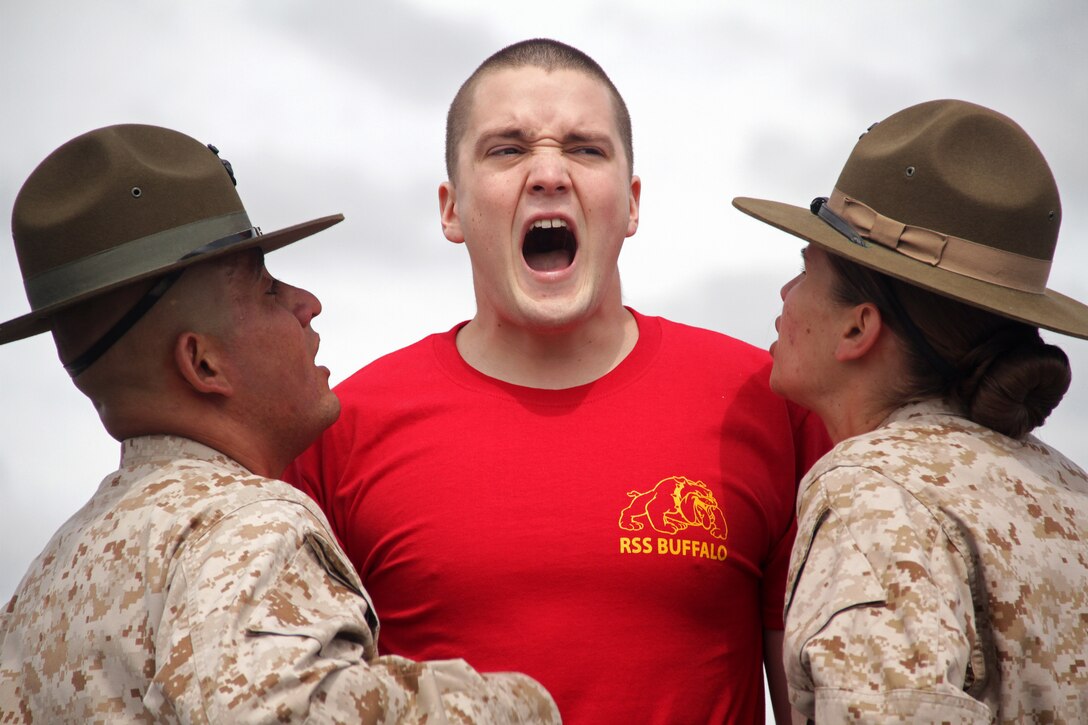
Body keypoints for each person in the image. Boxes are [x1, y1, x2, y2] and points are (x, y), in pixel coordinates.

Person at [286, 39, 830, 724]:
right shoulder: (339, 431)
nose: (549, 172)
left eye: (585, 149)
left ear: (631, 205)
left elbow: (815, 700)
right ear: (451, 210)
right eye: (508, 150)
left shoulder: (768, 403)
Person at [0, 124, 559, 723]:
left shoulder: (49, 578)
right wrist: (513, 708)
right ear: (202, 363)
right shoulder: (244, 523)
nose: (305, 302)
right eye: (267, 289)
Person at [732, 99, 1088, 722]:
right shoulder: (1069, 489)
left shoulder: (873, 491)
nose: (787, 295)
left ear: (858, 328)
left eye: (805, 269)